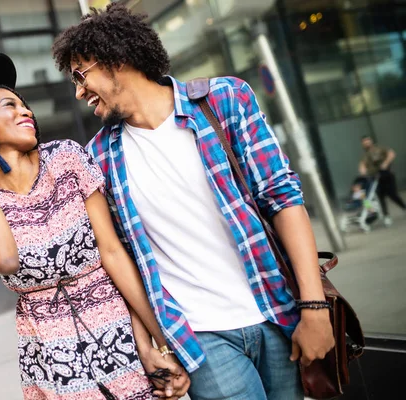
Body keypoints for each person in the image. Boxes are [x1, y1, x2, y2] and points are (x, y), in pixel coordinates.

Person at [52, 4, 335, 400]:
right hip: (200, 336)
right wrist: (148, 343)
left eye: (81, 76)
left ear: (118, 61)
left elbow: (283, 197)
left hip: (275, 311)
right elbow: (120, 257)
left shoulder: (224, 100)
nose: (79, 91)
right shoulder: (98, 157)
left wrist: (314, 307)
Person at [0, 52, 186, 400]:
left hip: (119, 331)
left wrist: (162, 343)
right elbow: (5, 259)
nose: (26, 111)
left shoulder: (66, 158)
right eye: (10, 105)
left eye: (24, 105)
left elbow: (113, 252)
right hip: (51, 355)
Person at [359, 135, 405, 225]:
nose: (366, 143)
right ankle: (386, 216)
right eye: (364, 142)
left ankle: (404, 207)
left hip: (386, 174)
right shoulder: (365, 156)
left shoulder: (379, 148)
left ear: (371, 141)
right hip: (375, 178)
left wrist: (386, 163)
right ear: (363, 144)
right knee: (380, 197)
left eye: (368, 141)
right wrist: (363, 172)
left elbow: (391, 154)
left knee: (393, 194)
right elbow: (362, 165)